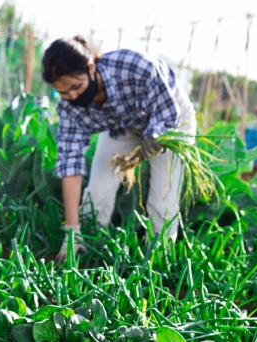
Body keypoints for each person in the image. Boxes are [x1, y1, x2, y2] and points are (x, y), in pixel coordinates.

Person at [42, 36, 196, 261]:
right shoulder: (70, 108)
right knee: (98, 190)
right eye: (64, 92)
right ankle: (85, 246)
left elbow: (166, 116)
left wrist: (146, 148)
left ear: (91, 67)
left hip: (171, 119)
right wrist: (71, 228)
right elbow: (70, 167)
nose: (73, 96)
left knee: (162, 198)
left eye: (76, 86)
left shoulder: (137, 67)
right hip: (122, 126)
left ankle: (160, 260)